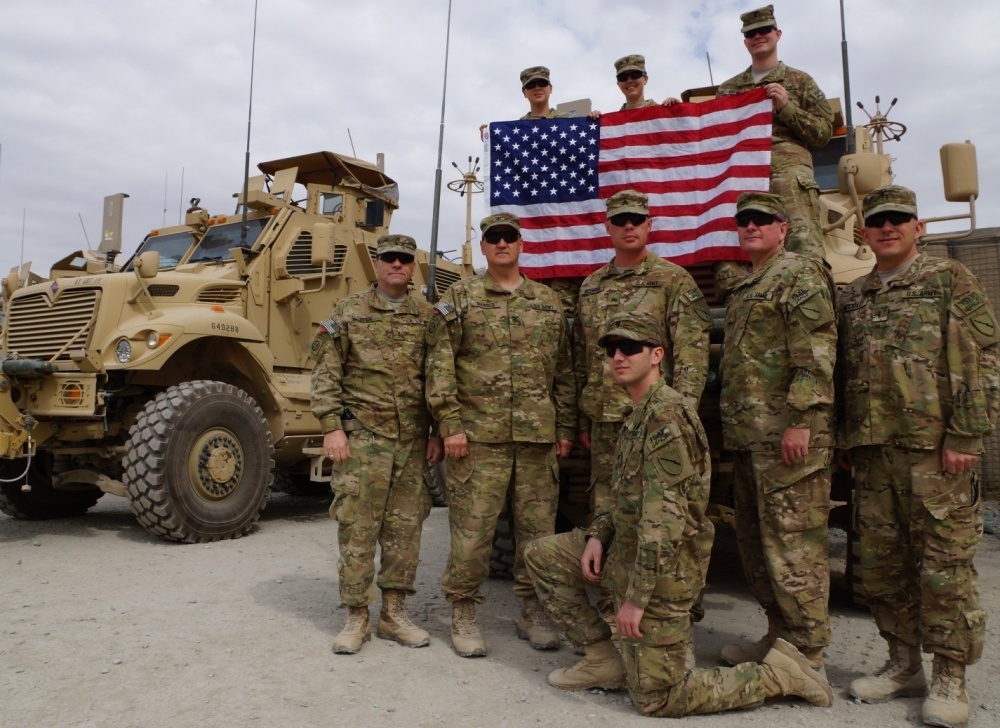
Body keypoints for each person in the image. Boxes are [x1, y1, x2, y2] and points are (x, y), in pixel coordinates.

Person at [523, 313, 833, 717]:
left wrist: (634, 600)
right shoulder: (638, 415)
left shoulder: (667, 417)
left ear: (656, 355)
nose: (618, 356)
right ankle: (604, 659)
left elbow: (664, 523)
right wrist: (598, 534)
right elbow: (625, 498)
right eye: (611, 350)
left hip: (663, 573)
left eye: (630, 348)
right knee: (543, 555)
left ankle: (782, 676)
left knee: (660, 699)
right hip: (629, 550)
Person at [837, 185, 999, 727]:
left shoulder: (949, 280)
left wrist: (968, 436)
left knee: (944, 569)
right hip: (873, 451)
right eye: (878, 220)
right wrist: (844, 438)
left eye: (898, 219)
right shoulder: (855, 296)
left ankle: (951, 675)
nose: (888, 228)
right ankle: (903, 663)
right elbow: (844, 373)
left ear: (918, 227)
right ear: (864, 232)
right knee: (884, 568)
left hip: (936, 454)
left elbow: (984, 357)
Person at [425, 212, 576, 657]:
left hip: (536, 439)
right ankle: (464, 611)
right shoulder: (460, 298)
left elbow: (565, 371)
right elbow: (439, 366)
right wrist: (449, 425)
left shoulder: (548, 302)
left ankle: (533, 611)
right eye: (494, 238)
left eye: (510, 237)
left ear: (520, 244)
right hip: (477, 439)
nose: (502, 244)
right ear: (485, 246)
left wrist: (564, 427)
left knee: (537, 534)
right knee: (473, 534)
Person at [719, 192, 837, 672]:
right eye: (744, 221)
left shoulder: (798, 274)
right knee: (756, 545)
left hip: (788, 440)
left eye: (762, 220)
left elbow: (815, 352)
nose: (751, 227)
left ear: (783, 228)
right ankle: (779, 637)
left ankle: (807, 652)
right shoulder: (748, 286)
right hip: (753, 440)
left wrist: (801, 421)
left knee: (794, 547)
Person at [310, 234, 443, 655]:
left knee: (406, 530)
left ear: (414, 265)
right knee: (358, 528)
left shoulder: (427, 316)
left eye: (405, 259)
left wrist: (438, 430)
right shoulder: (349, 312)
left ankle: (394, 613)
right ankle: (356, 615)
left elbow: (441, 376)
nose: (397, 266)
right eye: (390, 259)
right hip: (363, 440)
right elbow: (326, 371)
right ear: (377, 264)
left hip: (412, 442)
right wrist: (332, 427)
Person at [575, 189, 711, 522]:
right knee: (607, 509)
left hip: (656, 418)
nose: (629, 226)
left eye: (636, 219)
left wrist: (682, 416)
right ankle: (610, 573)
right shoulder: (591, 287)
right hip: (606, 421)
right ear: (608, 226)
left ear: (649, 224)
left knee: (661, 507)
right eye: (620, 220)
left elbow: (692, 353)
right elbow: (583, 358)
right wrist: (583, 420)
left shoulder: (673, 280)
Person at [717, 5, 833, 270]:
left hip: (789, 176)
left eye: (764, 30)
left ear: (777, 33)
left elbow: (823, 134)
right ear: (745, 40)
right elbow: (717, 136)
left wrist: (787, 108)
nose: (758, 36)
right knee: (734, 253)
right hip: (742, 175)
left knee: (802, 246)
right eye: (751, 33)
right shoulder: (729, 89)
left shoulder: (800, 81)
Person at [587, 55, 680, 119]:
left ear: (645, 79)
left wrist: (677, 109)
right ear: (618, 84)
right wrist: (593, 122)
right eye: (622, 77)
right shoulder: (613, 125)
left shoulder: (663, 114)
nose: (629, 80)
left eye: (635, 74)